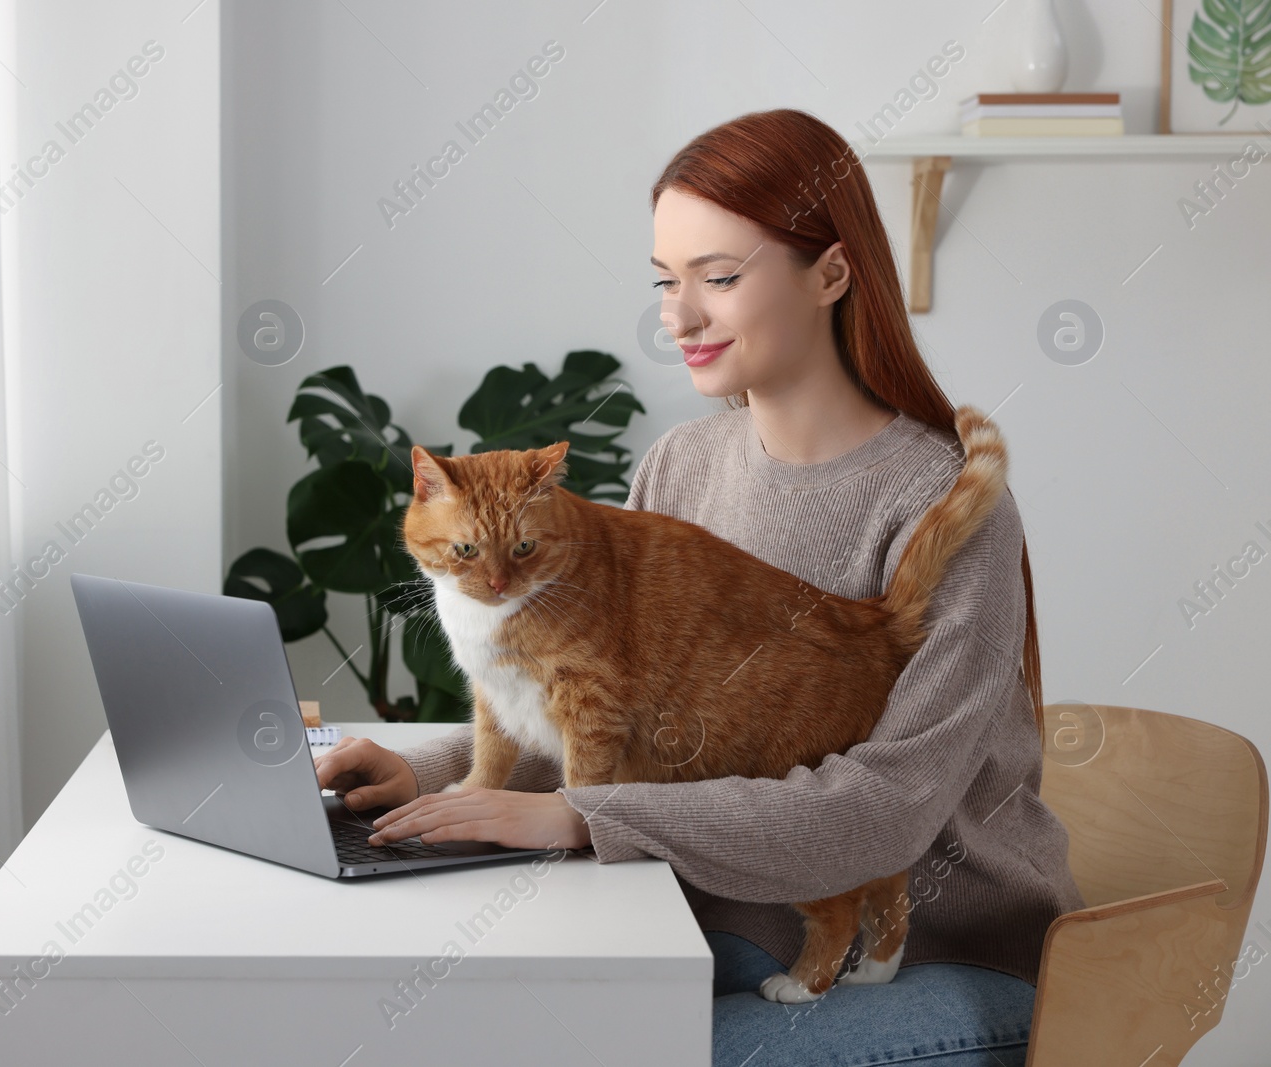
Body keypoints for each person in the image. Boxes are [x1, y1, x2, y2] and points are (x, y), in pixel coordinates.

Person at [314, 108, 1085, 1066]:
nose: (677, 317)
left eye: (718, 278)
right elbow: (602, 721)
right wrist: (426, 776)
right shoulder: (679, 465)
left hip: (948, 954)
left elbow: (883, 809)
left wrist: (586, 816)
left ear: (833, 274)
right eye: (665, 282)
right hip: (710, 916)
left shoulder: (942, 505)